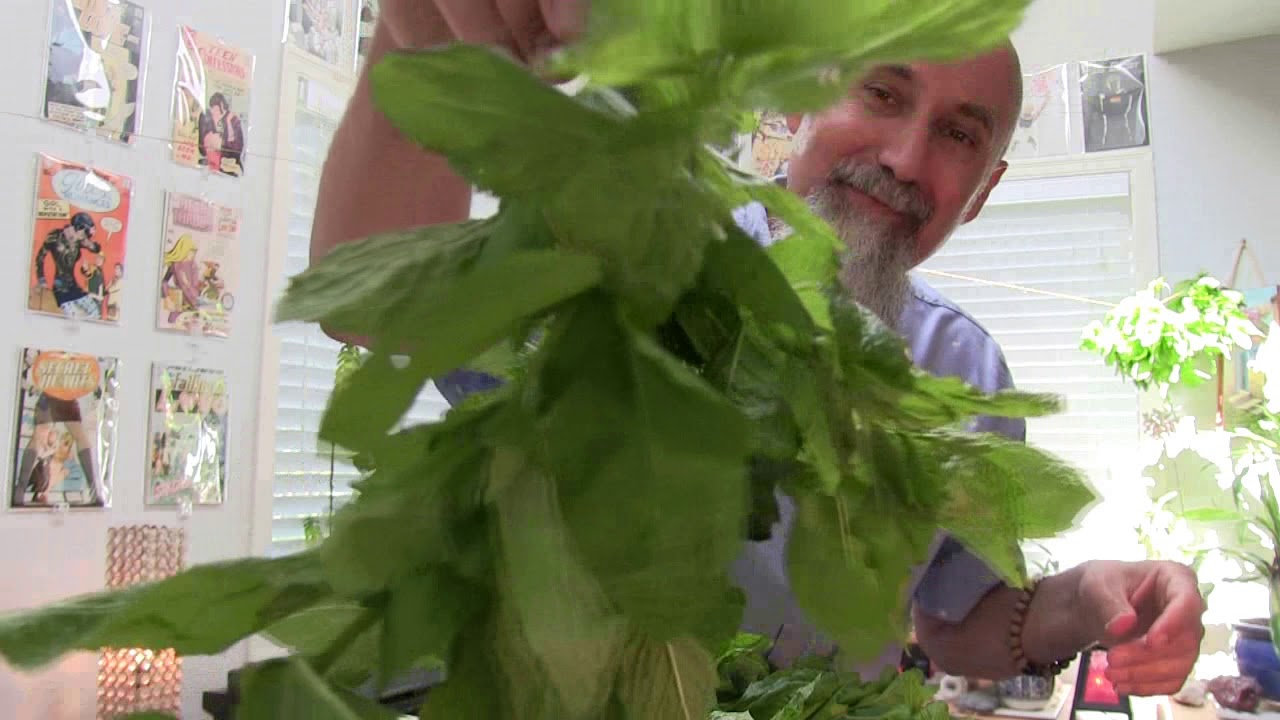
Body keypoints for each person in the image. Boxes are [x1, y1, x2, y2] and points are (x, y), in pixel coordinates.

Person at [310, 1, 1204, 696]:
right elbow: (376, 306)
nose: (904, 157)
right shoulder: (635, 250)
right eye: (882, 94)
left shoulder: (964, 368)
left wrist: (1089, 597)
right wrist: (412, 37)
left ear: (982, 190)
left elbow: (957, 623)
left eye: (959, 134)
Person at [34, 211, 103, 319]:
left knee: (96, 313)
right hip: (61, 290)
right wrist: (41, 279)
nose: (84, 237)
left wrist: (88, 241)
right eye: (84, 233)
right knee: (75, 318)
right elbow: (40, 258)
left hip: (75, 288)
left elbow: (96, 249)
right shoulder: (55, 237)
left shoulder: (80, 239)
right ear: (78, 228)